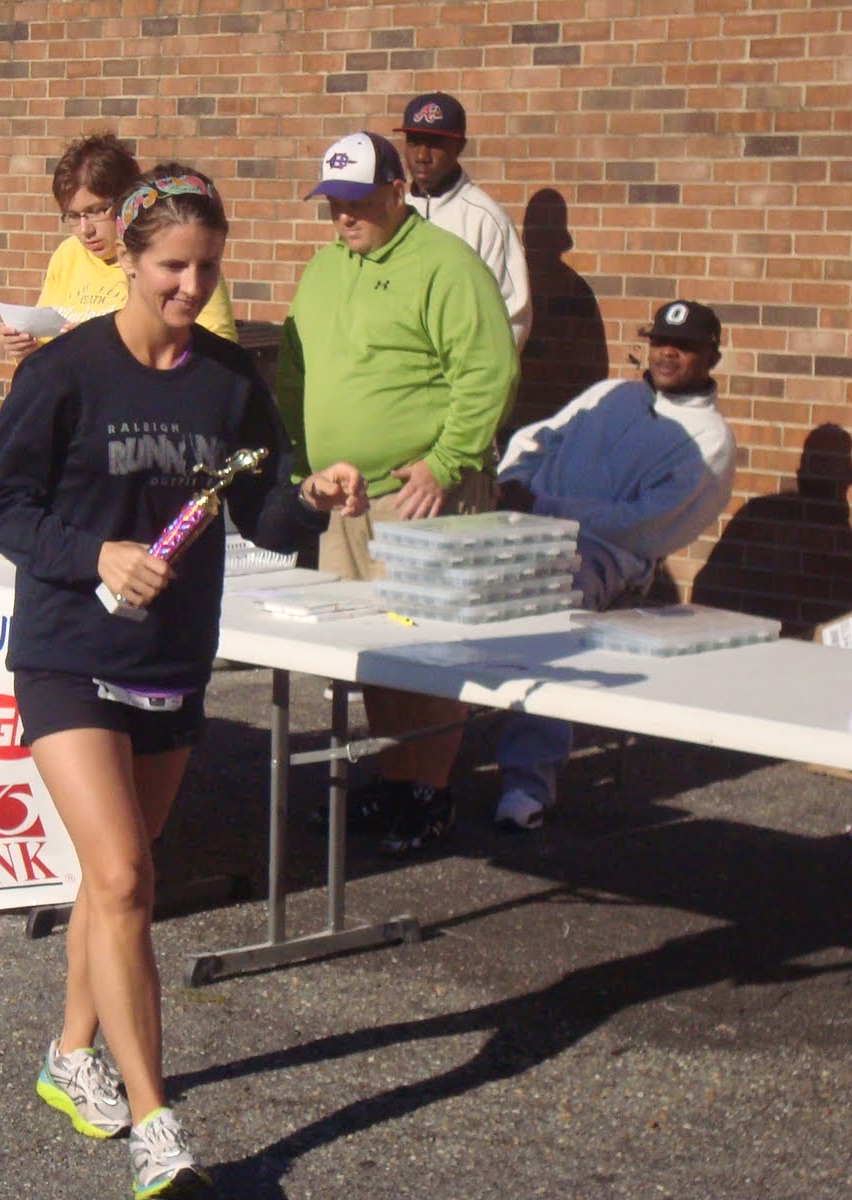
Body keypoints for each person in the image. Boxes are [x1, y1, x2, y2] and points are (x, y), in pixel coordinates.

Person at [0, 164, 366, 1199]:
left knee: (116, 883)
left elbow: (262, 516)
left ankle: (70, 1053)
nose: (191, 286)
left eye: (208, 268)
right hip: (68, 650)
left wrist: (312, 496)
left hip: (172, 658)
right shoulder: (65, 371)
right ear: (130, 262)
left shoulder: (228, 379)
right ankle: (158, 1128)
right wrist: (94, 555)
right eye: (172, 268)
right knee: (123, 879)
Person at [276, 131, 518, 857]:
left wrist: (445, 463)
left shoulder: (446, 264)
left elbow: (489, 370)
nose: (344, 216)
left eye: (358, 201)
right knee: (373, 649)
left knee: (429, 650)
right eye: (333, 203)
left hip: (423, 495)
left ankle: (429, 793)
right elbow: (295, 366)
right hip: (346, 498)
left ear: (396, 191)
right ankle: (394, 781)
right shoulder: (325, 267)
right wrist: (305, 464)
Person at [492, 299, 736, 829]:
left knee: (551, 602)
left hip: (609, 556)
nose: (667, 353)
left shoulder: (711, 439)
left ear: (712, 356)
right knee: (443, 566)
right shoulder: (612, 393)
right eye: (660, 341)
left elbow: (645, 527)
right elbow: (538, 438)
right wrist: (512, 482)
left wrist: (546, 507)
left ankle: (527, 783)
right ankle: (420, 763)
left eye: (684, 346)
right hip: (526, 521)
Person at [0, 132, 237, 363]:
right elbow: (49, 352)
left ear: (127, 200)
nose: (85, 229)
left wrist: (108, 348)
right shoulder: (67, 255)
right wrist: (28, 352)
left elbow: (218, 349)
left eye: (96, 211)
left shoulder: (176, 260)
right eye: (73, 216)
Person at [396, 91, 531, 351]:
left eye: (435, 143)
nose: (422, 155)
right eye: (414, 142)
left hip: (460, 370)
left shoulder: (486, 219)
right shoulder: (394, 212)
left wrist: (478, 371)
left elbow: (514, 316)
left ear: (459, 146)